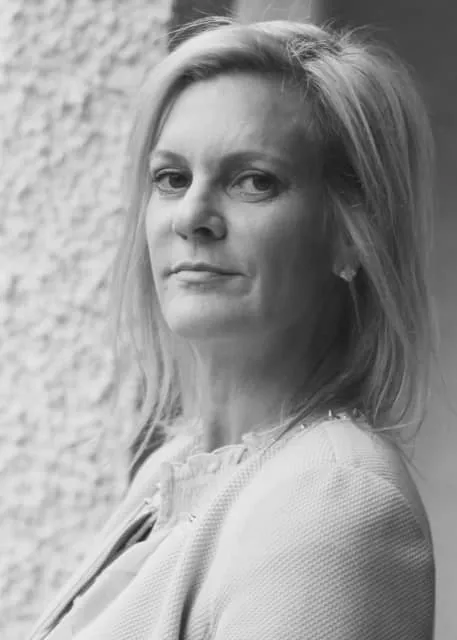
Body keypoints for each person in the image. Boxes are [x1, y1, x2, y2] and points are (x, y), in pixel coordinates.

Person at [29, 16, 435, 640]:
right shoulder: (174, 468)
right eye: (171, 178)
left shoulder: (332, 502)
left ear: (353, 234)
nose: (192, 215)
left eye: (253, 181)